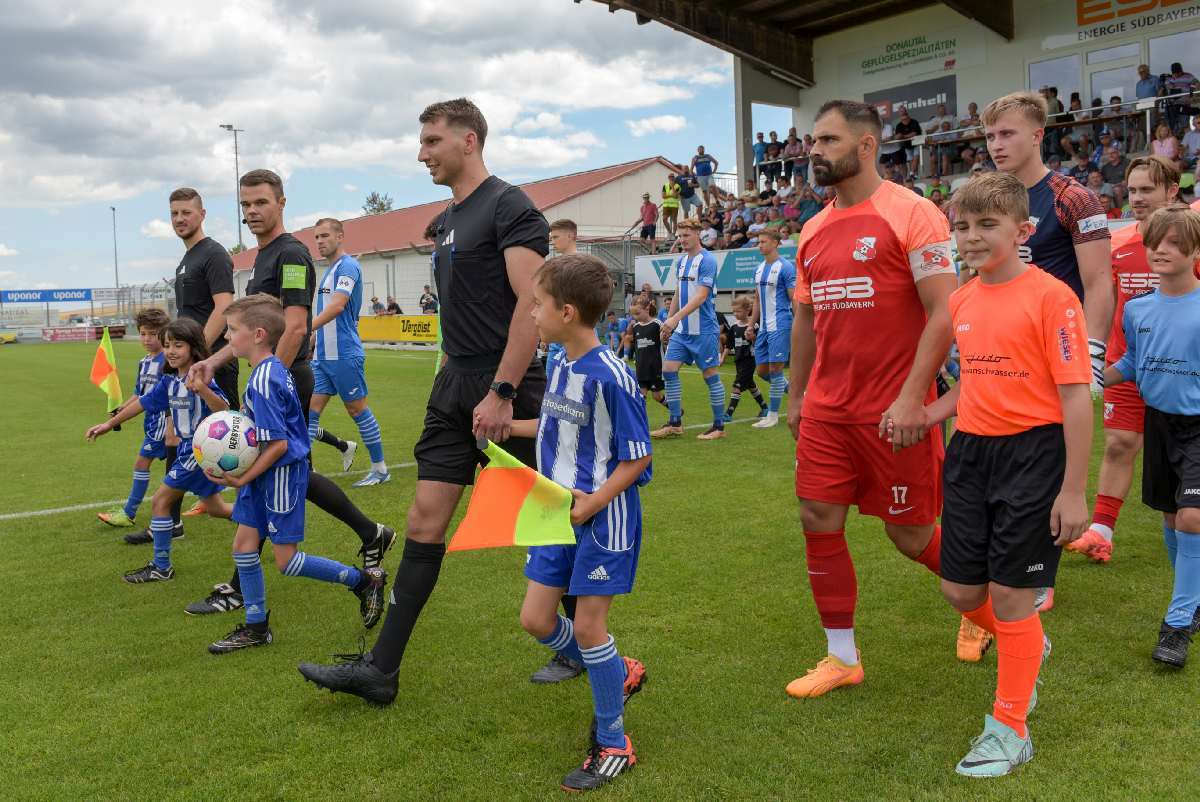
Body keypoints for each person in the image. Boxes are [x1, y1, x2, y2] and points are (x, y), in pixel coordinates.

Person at [298, 98, 555, 702]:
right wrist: (451, 372)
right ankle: (381, 672)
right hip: (455, 384)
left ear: (469, 140)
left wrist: (501, 391)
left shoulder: (511, 207)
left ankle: (579, 641)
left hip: (507, 385)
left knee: (553, 518)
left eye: (432, 141)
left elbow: (530, 304)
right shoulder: (446, 221)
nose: (421, 153)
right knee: (422, 521)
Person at [904, 171, 1092, 777]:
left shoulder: (1051, 296)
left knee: (1012, 595)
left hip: (1035, 458)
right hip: (972, 456)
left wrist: (1072, 491)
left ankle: (1010, 728)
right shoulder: (961, 298)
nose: (973, 237)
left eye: (988, 225)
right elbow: (978, 381)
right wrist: (925, 412)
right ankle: (1026, 646)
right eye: (962, 226)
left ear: (1023, 229)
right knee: (961, 591)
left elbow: (1076, 398)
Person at [786, 99, 963, 699]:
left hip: (895, 413)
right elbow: (806, 319)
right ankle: (842, 656)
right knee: (817, 518)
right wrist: (796, 395)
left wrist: (914, 398)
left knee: (910, 536)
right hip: (829, 412)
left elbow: (945, 312)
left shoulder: (914, 215)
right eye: (813, 140)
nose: (815, 151)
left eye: (828, 140)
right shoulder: (811, 228)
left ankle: (992, 610)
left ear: (866, 146)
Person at [186, 169, 394, 616]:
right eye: (245, 205)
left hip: (285, 375)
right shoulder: (262, 256)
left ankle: (243, 588)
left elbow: (296, 325)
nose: (252, 212)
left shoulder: (292, 253)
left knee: (272, 468)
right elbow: (246, 330)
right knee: (294, 473)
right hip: (273, 375)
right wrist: (214, 360)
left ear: (281, 203)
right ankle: (370, 533)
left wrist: (269, 379)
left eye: (260, 202)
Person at [510, 253, 650, 791]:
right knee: (536, 619)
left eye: (538, 306)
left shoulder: (611, 375)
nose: (532, 316)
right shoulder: (561, 361)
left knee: (590, 627)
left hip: (600, 517)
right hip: (554, 509)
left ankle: (615, 742)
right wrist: (506, 425)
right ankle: (617, 671)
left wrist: (592, 502)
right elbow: (552, 424)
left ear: (567, 311)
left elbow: (636, 457)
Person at [985, 91, 1114, 612]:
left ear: (1038, 135)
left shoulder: (1073, 198)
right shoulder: (987, 198)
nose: (996, 145)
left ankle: (1037, 576)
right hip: (997, 358)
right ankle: (1010, 567)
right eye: (990, 136)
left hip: (1055, 359)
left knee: (1043, 472)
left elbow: (1100, 281)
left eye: (1007, 133)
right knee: (996, 468)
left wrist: (1095, 354)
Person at [206, 295, 388, 654]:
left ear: (258, 334)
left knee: (287, 561)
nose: (227, 338)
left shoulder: (265, 379)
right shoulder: (268, 370)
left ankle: (364, 581)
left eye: (232, 331)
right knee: (244, 546)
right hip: (262, 476)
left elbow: (278, 446)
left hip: (280, 477)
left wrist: (241, 478)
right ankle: (257, 628)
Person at [1071, 156, 1181, 562]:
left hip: (1181, 370)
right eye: (1131, 190)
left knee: (1182, 454)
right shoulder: (1117, 242)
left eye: (1146, 190)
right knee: (1119, 443)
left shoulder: (1192, 239)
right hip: (1127, 362)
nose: (1136, 198)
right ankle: (1100, 533)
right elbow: (1106, 300)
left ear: (1172, 190)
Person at [1103, 205, 1200, 667]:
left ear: (1194, 250)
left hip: (1198, 426)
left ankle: (1178, 624)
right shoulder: (1138, 309)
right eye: (1154, 241)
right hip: (1158, 422)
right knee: (1169, 518)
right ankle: (1194, 598)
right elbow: (1131, 365)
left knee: (1192, 518)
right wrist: (1087, 378)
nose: (1160, 249)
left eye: (1173, 242)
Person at [86, 318, 235, 583]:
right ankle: (264, 520)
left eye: (178, 345)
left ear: (193, 348)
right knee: (216, 508)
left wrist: (202, 390)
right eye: (167, 345)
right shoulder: (169, 382)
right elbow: (141, 403)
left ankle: (161, 566)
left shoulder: (201, 377)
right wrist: (109, 424)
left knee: (160, 501)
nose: (171, 351)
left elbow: (224, 410)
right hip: (189, 451)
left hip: (198, 452)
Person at [162, 187, 238, 522]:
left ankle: (255, 510)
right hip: (192, 365)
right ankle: (172, 516)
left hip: (213, 364)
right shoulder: (184, 261)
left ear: (202, 214)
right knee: (179, 435)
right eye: (174, 213)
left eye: (186, 212)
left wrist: (200, 357)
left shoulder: (214, 254)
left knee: (229, 442)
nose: (180, 219)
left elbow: (224, 307)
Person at [309, 217, 391, 487]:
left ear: (340, 236)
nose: (319, 241)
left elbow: (337, 307)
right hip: (322, 357)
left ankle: (380, 469)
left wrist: (302, 330)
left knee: (357, 410)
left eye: (324, 236)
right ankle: (303, 470)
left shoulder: (348, 266)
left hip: (344, 354)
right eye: (316, 237)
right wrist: (312, 343)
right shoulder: (328, 271)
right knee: (309, 411)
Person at [96, 308, 181, 535]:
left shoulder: (168, 360)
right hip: (151, 421)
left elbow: (157, 396)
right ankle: (214, 501)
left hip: (166, 422)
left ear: (163, 334)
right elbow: (139, 392)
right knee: (185, 468)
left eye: (152, 334)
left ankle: (129, 512)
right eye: (143, 333)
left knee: (142, 464)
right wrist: (122, 407)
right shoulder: (144, 361)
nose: (146, 339)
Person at [651, 218, 726, 440]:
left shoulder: (708, 260)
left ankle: (719, 427)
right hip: (682, 331)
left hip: (704, 330)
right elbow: (677, 291)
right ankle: (675, 423)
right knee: (669, 369)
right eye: (679, 235)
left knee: (710, 375)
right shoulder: (682, 261)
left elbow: (701, 296)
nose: (682, 239)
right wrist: (670, 320)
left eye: (686, 235)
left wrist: (675, 319)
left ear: (697, 235)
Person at [749, 228, 794, 429]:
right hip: (764, 328)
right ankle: (798, 392)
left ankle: (773, 415)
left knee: (776, 369)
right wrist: (751, 324)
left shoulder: (786, 267)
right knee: (762, 371)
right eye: (759, 242)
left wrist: (800, 322)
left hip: (781, 324)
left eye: (763, 242)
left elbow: (795, 297)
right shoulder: (758, 269)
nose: (760, 245)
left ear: (775, 243)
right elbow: (757, 299)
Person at [721, 295, 767, 421]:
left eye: (738, 311)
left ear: (748, 310)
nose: (736, 314)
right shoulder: (734, 327)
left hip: (750, 360)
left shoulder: (754, 326)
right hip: (738, 361)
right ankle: (764, 408)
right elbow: (729, 345)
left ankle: (728, 414)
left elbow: (760, 343)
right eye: (734, 311)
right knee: (751, 385)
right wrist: (723, 358)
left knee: (737, 386)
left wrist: (753, 339)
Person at [629, 297, 668, 411]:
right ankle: (640, 424)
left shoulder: (657, 324)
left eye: (637, 313)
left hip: (655, 368)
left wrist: (665, 339)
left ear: (647, 309)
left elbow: (665, 341)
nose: (635, 317)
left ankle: (674, 409)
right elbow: (636, 347)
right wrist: (636, 360)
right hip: (641, 368)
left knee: (657, 396)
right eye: (633, 314)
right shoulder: (635, 327)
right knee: (641, 397)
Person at [1164, 62, 1199, 135]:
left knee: (1185, 124)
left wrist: (1194, 96)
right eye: (1174, 73)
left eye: (1177, 73)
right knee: (1172, 125)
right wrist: (1171, 86)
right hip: (1173, 105)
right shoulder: (1170, 78)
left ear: (1181, 71)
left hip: (1184, 104)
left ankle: (1188, 143)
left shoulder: (1188, 76)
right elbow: (1168, 86)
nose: (1176, 75)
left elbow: (1197, 84)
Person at [893, 106, 922, 177]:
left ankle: (912, 172)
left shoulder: (914, 122)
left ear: (907, 116)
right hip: (907, 145)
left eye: (906, 118)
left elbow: (914, 133)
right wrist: (900, 136)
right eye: (903, 119)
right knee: (911, 160)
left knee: (916, 157)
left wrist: (903, 136)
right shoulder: (899, 125)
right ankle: (915, 175)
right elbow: (897, 137)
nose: (905, 120)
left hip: (916, 143)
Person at [660, 174, 680, 238]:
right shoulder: (665, 186)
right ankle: (670, 232)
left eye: (672, 177)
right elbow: (663, 196)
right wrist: (671, 195)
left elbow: (676, 196)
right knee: (664, 219)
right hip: (666, 205)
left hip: (674, 205)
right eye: (670, 177)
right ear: (668, 178)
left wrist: (673, 187)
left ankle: (673, 234)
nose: (671, 178)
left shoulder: (677, 186)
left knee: (674, 220)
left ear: (674, 178)